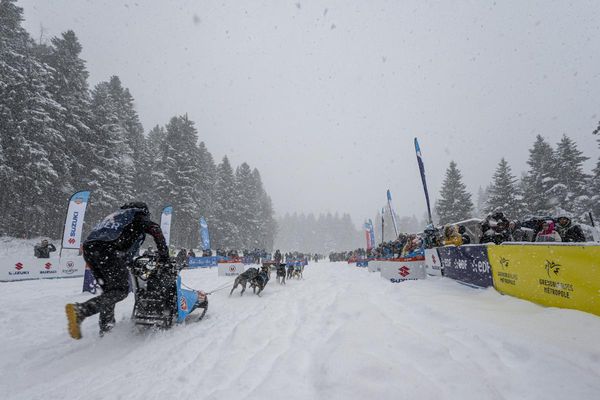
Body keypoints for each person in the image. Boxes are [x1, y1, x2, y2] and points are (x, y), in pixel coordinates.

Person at [65, 202, 169, 339]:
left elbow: (118, 239)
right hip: (107, 251)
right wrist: (164, 256)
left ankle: (106, 329)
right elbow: (155, 229)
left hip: (90, 250)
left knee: (110, 292)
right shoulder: (137, 216)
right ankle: (81, 311)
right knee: (120, 291)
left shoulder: (115, 217)